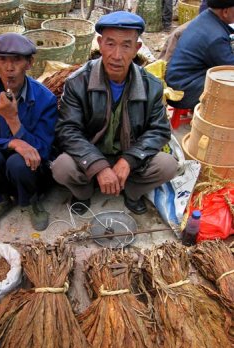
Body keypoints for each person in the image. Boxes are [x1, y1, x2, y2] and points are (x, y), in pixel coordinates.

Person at [51, 11, 178, 216]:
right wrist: (98, 165)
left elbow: (160, 130)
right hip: (90, 154)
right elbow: (67, 130)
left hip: (129, 155)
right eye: (110, 44)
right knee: (62, 167)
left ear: (137, 48)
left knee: (168, 165)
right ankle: (84, 192)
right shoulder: (78, 82)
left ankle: (132, 191)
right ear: (100, 44)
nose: (117, 55)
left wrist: (129, 159)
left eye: (126, 45)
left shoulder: (151, 85)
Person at [0, 33, 57, 231]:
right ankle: (1, 200)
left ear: (29, 63)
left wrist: (13, 120)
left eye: (17, 60)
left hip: (30, 171)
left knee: (18, 162)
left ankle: (31, 201)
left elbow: (43, 149)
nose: (9, 68)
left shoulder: (45, 99)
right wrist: (13, 143)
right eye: (2, 60)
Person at [165, 0, 234, 110]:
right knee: (228, 83)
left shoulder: (206, 17)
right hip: (184, 91)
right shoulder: (215, 37)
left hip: (178, 80)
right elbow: (230, 67)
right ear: (225, 12)